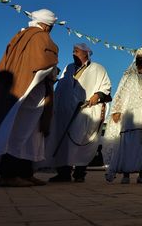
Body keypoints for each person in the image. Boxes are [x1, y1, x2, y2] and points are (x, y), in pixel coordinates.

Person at [0, 9, 59, 187]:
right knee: (17, 132)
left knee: (30, 135)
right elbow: (45, 62)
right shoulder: (40, 36)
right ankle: (8, 175)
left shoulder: (20, 35)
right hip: (28, 93)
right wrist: (53, 71)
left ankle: (25, 172)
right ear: (47, 24)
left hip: (21, 89)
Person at [45, 43, 111, 183]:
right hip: (65, 112)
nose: (73, 54)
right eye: (73, 51)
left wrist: (97, 95)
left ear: (86, 53)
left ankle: (80, 173)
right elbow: (61, 87)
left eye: (76, 51)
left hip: (85, 111)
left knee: (83, 142)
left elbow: (106, 88)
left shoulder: (98, 69)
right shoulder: (68, 68)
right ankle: (63, 173)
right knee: (63, 142)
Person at [103, 48, 142, 184]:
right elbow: (119, 94)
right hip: (129, 117)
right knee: (127, 144)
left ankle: (141, 175)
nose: (141, 59)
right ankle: (126, 175)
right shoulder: (128, 76)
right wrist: (116, 110)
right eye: (139, 56)